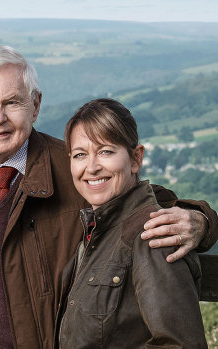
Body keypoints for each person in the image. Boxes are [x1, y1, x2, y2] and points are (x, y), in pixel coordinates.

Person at [0, 44, 218, 348]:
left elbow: (142, 201)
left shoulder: (77, 169)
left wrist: (200, 220)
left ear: (35, 105)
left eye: (12, 102)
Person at [56, 98, 206, 348]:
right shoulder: (99, 229)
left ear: (136, 158)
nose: (91, 167)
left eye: (105, 151)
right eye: (80, 154)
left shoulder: (154, 235)